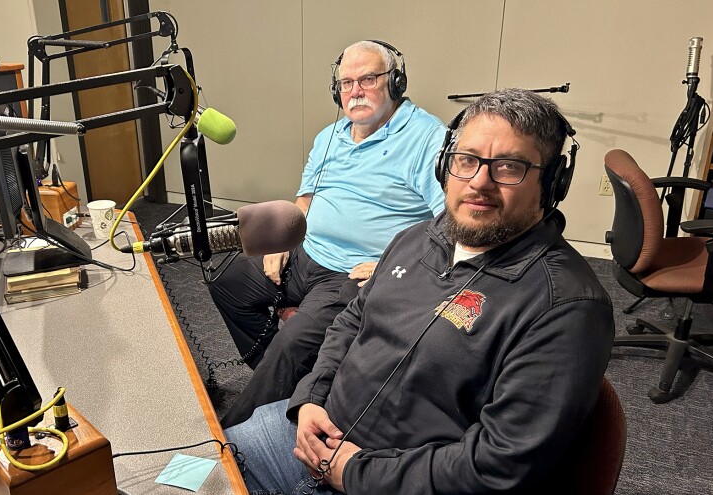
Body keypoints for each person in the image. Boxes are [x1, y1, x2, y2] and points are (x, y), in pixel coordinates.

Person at [224, 88, 615, 494]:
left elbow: (500, 463)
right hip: (311, 433)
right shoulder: (419, 237)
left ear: (552, 183)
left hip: (382, 481)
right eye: (466, 160)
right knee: (191, 466)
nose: (479, 182)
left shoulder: (566, 307)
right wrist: (309, 398)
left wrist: (355, 472)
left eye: (508, 167)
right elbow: (351, 321)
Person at [209, 40, 447, 428]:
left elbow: (450, 222)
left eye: (368, 79)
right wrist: (282, 242)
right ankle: (289, 385)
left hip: (353, 273)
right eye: (346, 82)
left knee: (290, 345)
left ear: (395, 81)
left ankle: (229, 444)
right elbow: (305, 199)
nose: (355, 91)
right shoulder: (330, 135)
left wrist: (393, 264)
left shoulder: (426, 139)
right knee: (229, 285)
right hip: (307, 253)